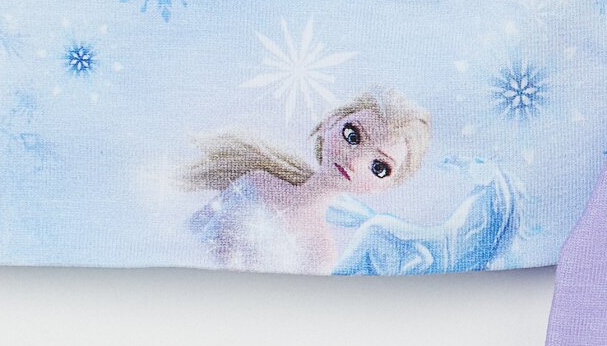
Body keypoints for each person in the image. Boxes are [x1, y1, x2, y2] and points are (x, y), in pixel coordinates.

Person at [183, 93, 430, 274]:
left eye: (378, 167)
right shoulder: (258, 182)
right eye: (352, 136)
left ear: (384, 186)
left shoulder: (320, 254)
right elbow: (191, 229)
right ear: (329, 123)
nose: (354, 160)